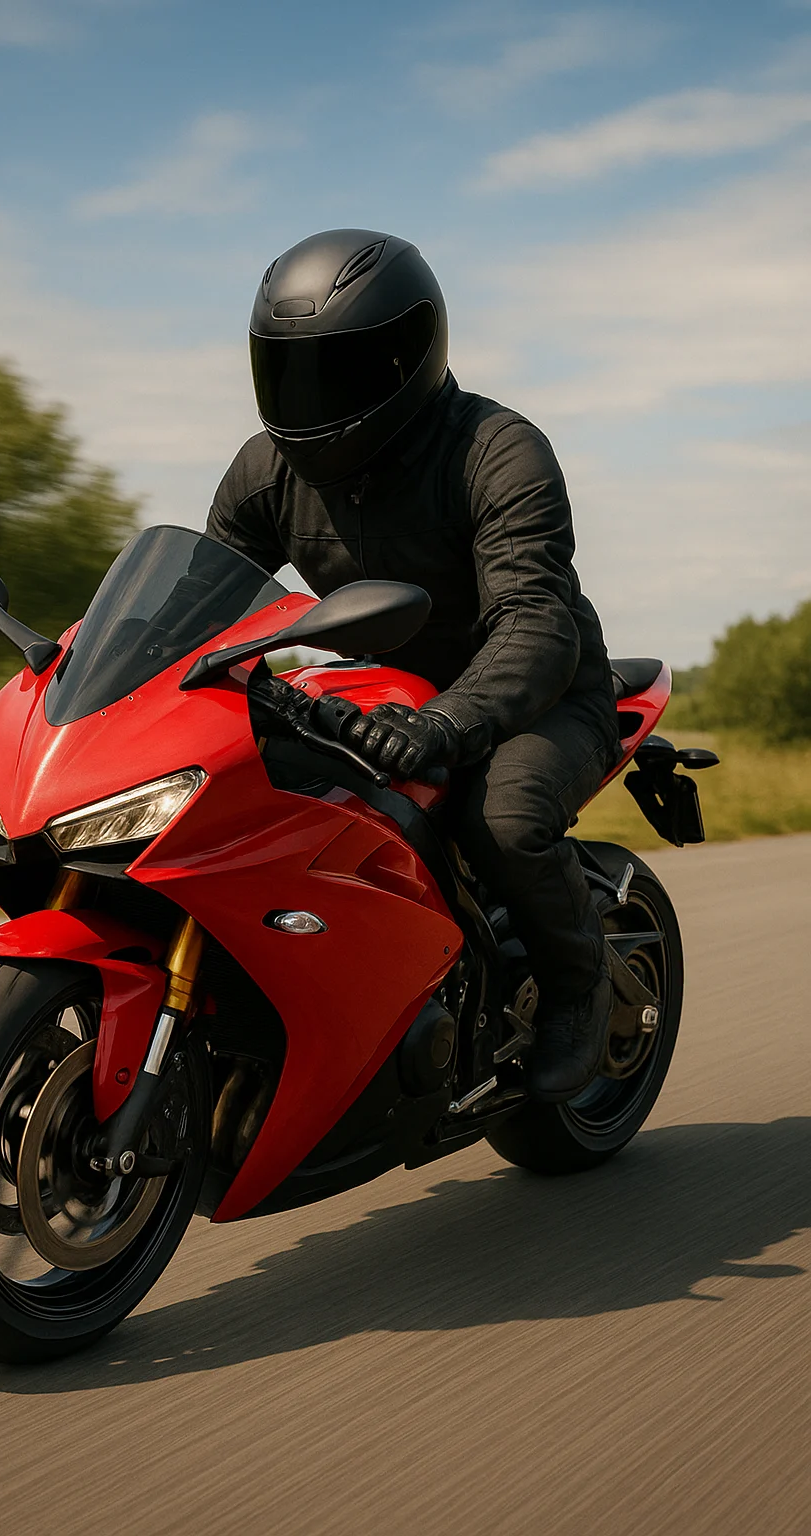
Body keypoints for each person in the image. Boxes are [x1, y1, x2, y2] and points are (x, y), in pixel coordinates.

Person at [206, 228, 621, 1103]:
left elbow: (535, 624)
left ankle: (581, 988)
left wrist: (445, 723)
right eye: (290, 369)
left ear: (408, 356)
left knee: (503, 819)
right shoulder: (267, 468)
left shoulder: (496, 450)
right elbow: (203, 600)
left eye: (337, 370)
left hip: (537, 696)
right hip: (383, 699)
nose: (308, 398)